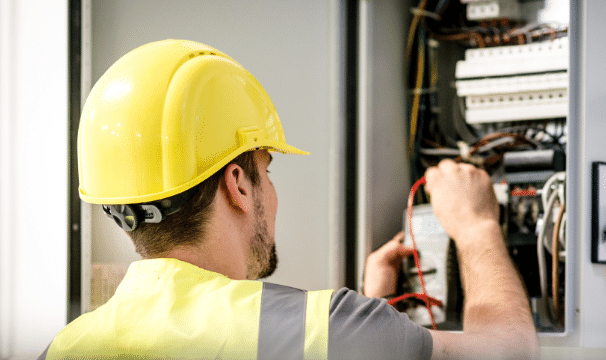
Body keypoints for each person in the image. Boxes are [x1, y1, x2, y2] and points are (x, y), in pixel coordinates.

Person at [40, 39, 537, 359]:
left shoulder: (63, 348)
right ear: (237, 185)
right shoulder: (325, 329)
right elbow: (511, 353)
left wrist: (377, 309)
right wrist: (476, 228)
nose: (271, 193)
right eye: (266, 171)